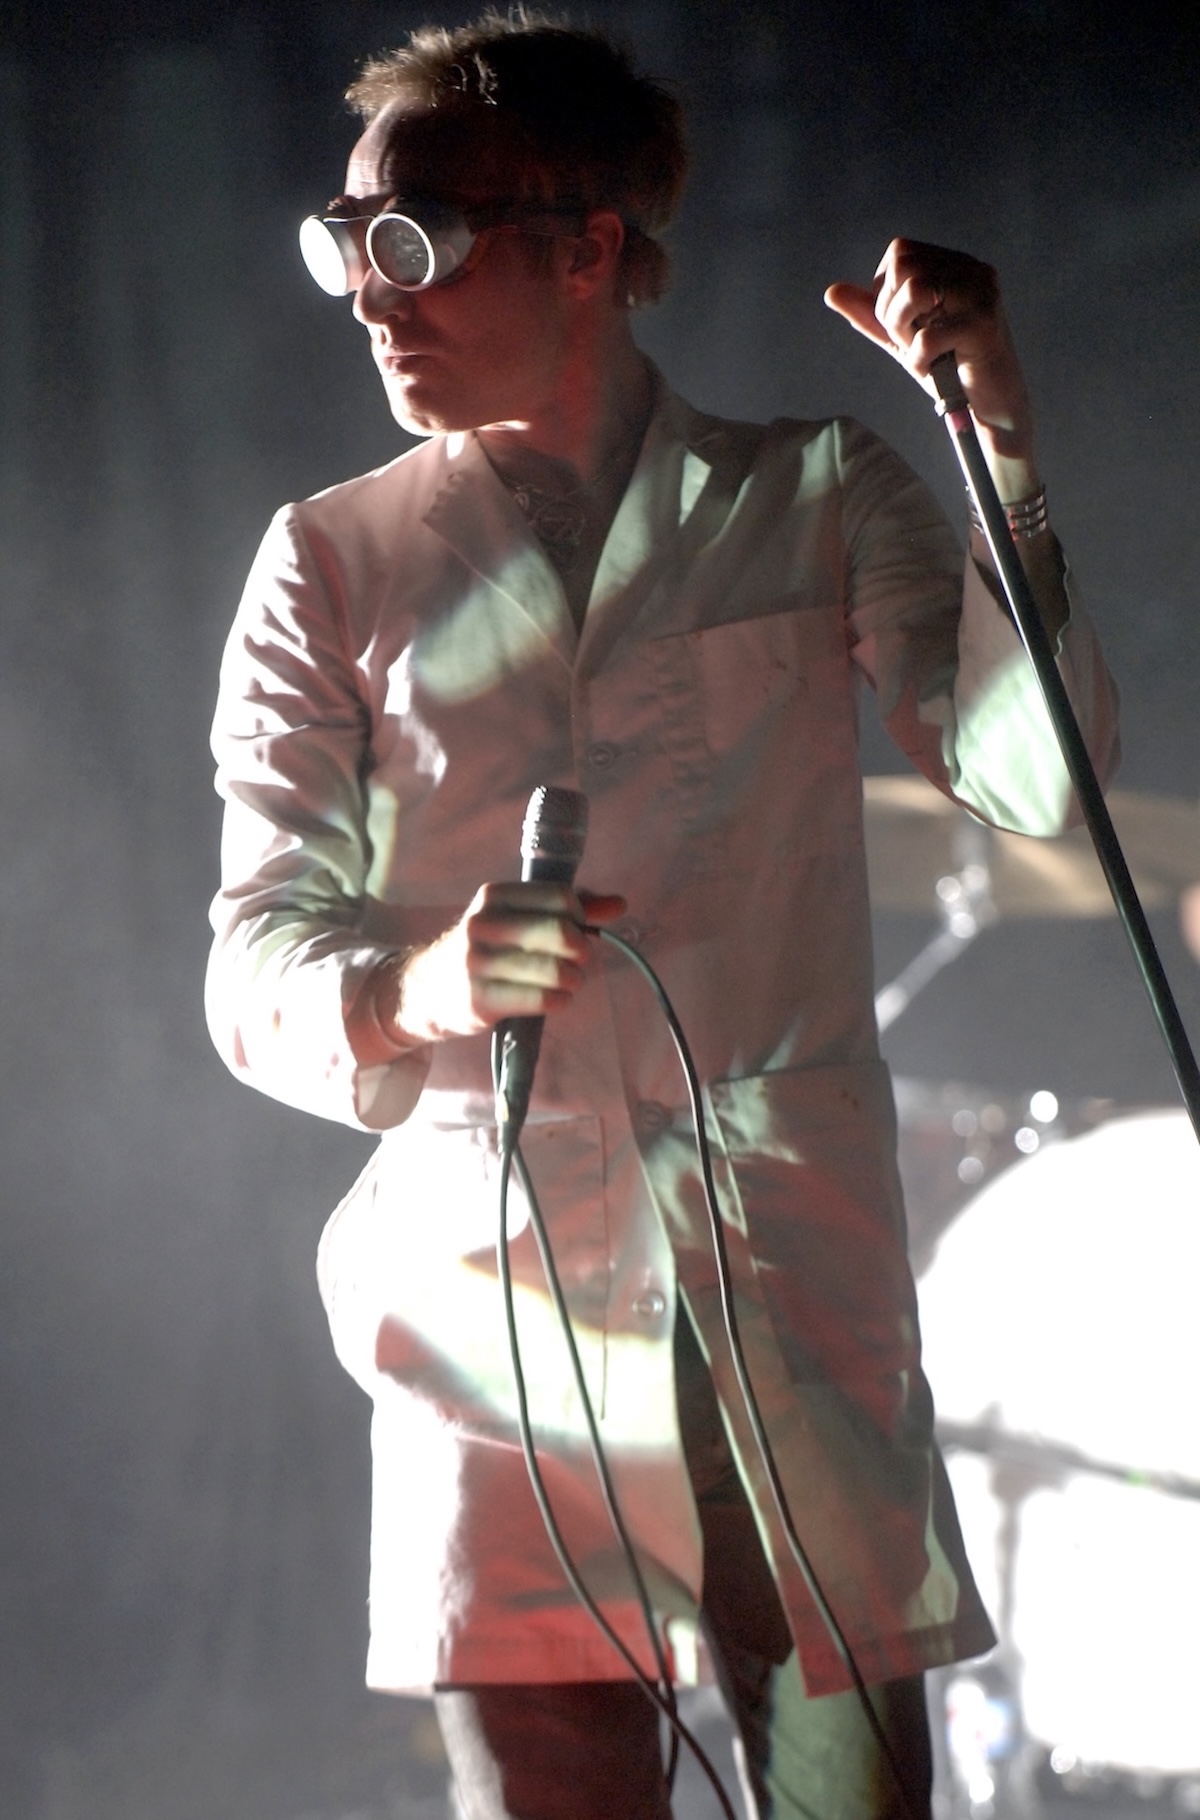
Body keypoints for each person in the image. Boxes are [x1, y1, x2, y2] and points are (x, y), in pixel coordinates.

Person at [205, 13, 1119, 1818]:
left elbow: (1038, 784)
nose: (371, 296)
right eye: (346, 245)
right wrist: (419, 980)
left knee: (848, 1780)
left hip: (778, 1265)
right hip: (498, 1289)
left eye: (415, 243)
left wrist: (992, 436)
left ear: (586, 244)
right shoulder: (332, 561)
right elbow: (253, 961)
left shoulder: (816, 494)